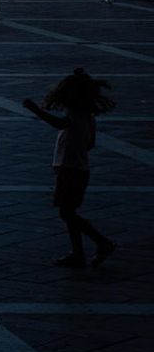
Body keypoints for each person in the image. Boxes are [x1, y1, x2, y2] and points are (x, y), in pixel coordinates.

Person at [23, 70, 116, 268]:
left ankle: (101, 242)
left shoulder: (73, 117)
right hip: (79, 169)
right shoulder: (88, 118)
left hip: (70, 171)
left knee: (67, 213)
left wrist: (35, 109)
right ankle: (78, 252)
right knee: (68, 212)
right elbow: (90, 143)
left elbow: (58, 123)